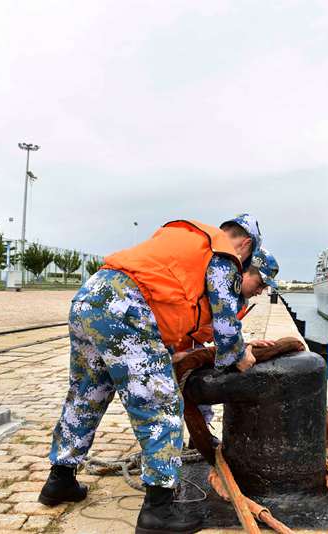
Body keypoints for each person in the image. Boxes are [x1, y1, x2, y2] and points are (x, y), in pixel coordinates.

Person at [39, 215, 279, 534]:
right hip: (127, 306)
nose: (258, 287)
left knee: (87, 394)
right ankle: (158, 510)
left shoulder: (193, 244)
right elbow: (224, 326)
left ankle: (60, 480)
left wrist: (230, 344)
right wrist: (239, 353)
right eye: (259, 280)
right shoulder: (225, 256)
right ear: (247, 246)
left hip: (91, 297)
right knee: (161, 406)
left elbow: (185, 319)